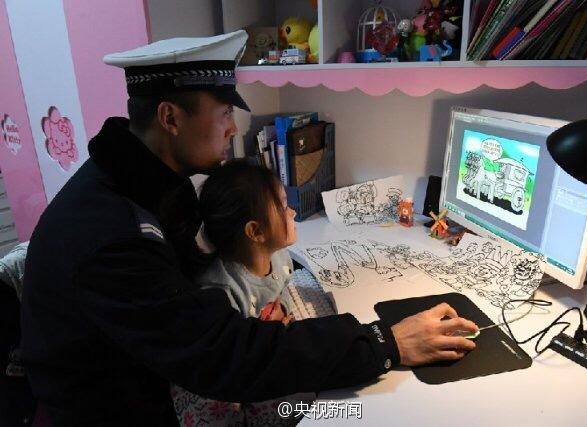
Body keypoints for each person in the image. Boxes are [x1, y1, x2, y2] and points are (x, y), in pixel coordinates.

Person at [20, 30, 478, 426]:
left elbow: (188, 296)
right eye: (223, 113)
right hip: (121, 411)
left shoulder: (147, 179)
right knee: (343, 414)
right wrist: (384, 343)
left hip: (154, 378)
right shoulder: (111, 234)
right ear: (170, 118)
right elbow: (221, 355)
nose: (232, 128)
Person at [172, 161, 309, 426]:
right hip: (220, 381)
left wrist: (283, 310)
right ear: (256, 231)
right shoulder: (221, 293)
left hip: (254, 356)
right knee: (305, 401)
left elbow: (283, 288)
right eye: (283, 206)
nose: (292, 211)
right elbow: (222, 362)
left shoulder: (279, 255)